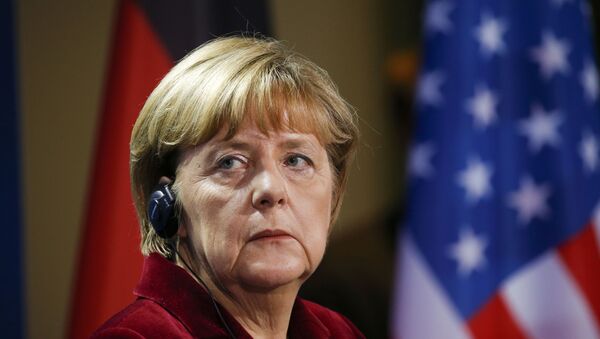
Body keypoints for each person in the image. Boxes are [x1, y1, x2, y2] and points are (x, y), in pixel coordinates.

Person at [92, 36, 364, 338]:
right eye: (230, 163)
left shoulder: (338, 332)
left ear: (334, 192)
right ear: (170, 204)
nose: (271, 190)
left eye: (296, 160)